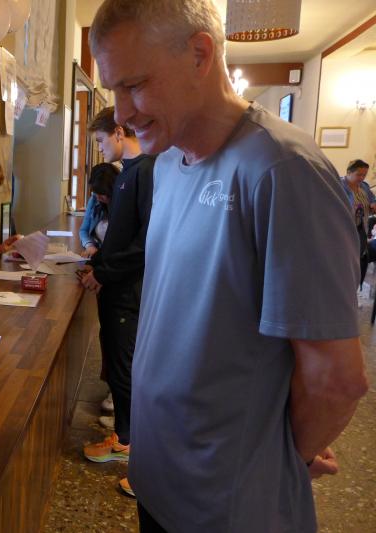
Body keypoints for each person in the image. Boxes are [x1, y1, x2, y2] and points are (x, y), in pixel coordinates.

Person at [89, 1, 368, 532]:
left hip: (225, 505)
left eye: (135, 85)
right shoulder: (166, 165)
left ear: (200, 54)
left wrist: (284, 456)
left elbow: (336, 379)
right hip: (158, 479)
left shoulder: (283, 169)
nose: (121, 113)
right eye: (113, 90)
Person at [79, 108, 154, 502]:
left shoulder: (145, 171)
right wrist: (98, 266)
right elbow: (119, 238)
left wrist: (105, 273)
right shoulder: (129, 173)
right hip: (116, 286)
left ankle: (130, 445)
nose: (100, 148)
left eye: (100, 140)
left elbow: (144, 243)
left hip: (128, 291)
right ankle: (124, 437)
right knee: (117, 364)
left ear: (119, 132)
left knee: (125, 370)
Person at [340, 159, 374, 286]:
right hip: (345, 231)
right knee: (346, 262)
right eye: (359, 174)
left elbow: (372, 199)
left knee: (358, 260)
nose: (362, 178)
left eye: (364, 175)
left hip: (362, 229)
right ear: (349, 172)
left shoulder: (364, 186)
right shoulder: (339, 186)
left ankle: (354, 288)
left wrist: (373, 204)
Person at [79, 162, 119, 258]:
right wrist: (89, 246)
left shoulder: (123, 204)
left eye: (102, 193)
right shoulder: (94, 200)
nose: (98, 197)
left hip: (116, 258)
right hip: (100, 256)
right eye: (95, 192)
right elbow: (83, 230)